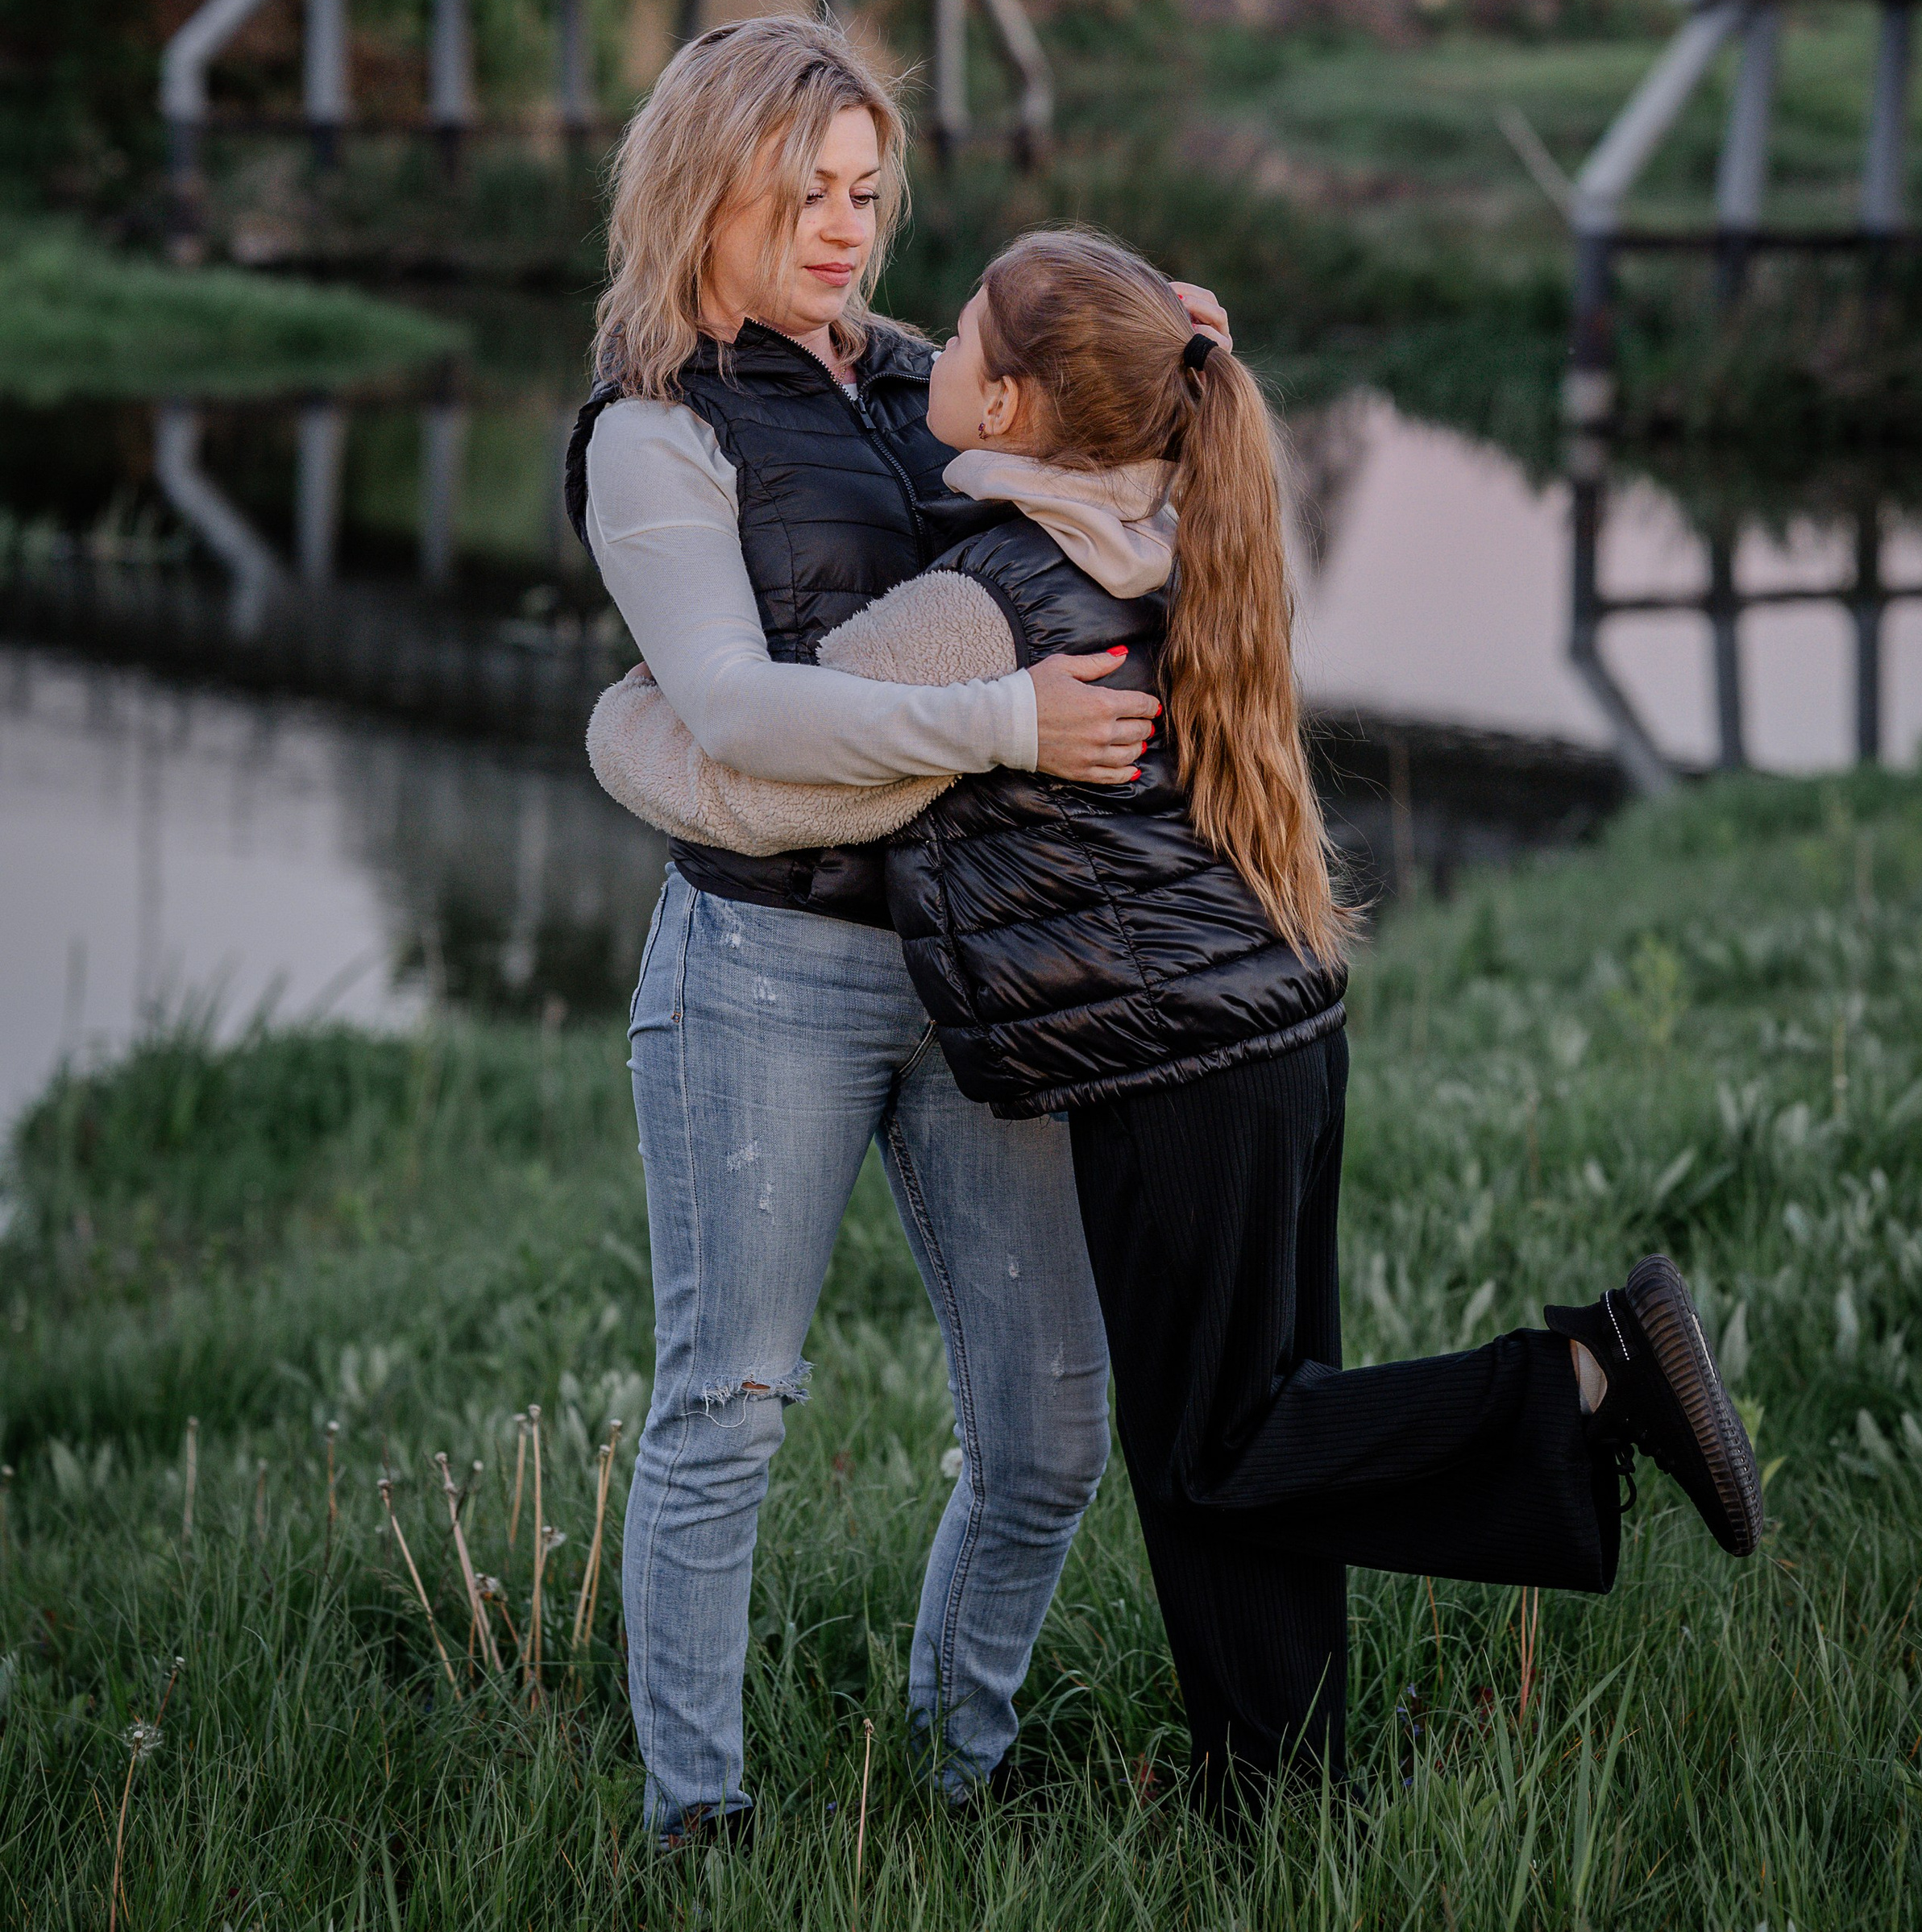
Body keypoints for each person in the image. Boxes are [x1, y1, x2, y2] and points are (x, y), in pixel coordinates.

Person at [597, 226, 1765, 1811]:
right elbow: (1044, 437)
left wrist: (619, 719)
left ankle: (1577, 1379)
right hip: (1268, 1026)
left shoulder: (977, 607)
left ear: (1010, 408)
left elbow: (765, 765)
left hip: (1169, 1067)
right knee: (1265, 1419)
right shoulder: (1150, 505)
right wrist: (1144, 351)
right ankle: (1274, 1789)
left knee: (1215, 1448)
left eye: (959, 349)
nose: (911, 344)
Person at [562, 16, 1225, 1839]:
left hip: (987, 971)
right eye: (806, 196)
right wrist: (1007, 726)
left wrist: (1160, 360)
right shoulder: (653, 433)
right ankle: (697, 1822)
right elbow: (740, 714)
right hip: (766, 971)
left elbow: (1103, 485)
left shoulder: (922, 378)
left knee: (1047, 1435)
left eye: (865, 190)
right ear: (709, 194)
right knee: (730, 1409)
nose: (847, 229)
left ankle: (964, 1769)